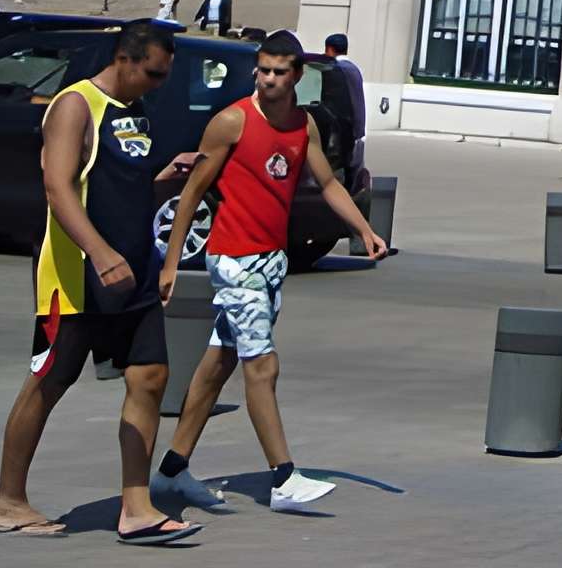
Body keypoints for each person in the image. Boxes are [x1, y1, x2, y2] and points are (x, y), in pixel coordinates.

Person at [152, 30, 387, 516]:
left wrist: (364, 230)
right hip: (233, 259)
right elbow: (192, 194)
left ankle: (172, 471)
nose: (269, 80)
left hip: (270, 262)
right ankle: (283, 479)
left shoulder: (304, 125)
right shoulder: (231, 122)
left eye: (279, 72)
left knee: (218, 364)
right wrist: (171, 263)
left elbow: (328, 183)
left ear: (297, 76)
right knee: (262, 365)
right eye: (263, 70)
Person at [0, 21, 201, 542]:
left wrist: (165, 177)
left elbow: (119, 182)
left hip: (135, 271)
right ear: (124, 59)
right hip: (76, 276)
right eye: (153, 73)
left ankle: (136, 508)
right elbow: (58, 188)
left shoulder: (135, 109)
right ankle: (9, 501)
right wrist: (101, 254)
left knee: (150, 377)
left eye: (165, 75)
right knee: (48, 382)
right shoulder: (75, 105)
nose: (159, 83)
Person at [319, 36, 367, 182]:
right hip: (357, 132)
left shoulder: (334, 69)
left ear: (329, 49)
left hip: (341, 136)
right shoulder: (354, 68)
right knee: (352, 181)